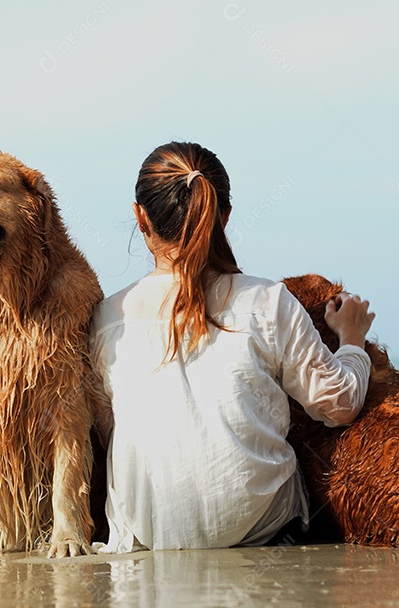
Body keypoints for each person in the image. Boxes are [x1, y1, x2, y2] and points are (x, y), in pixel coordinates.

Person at [90, 141, 375, 552]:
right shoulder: (267, 300)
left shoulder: (106, 317)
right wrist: (352, 340)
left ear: (140, 217)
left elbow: (106, 430)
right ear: (223, 216)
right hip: (262, 531)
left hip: (149, 541)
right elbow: (339, 404)